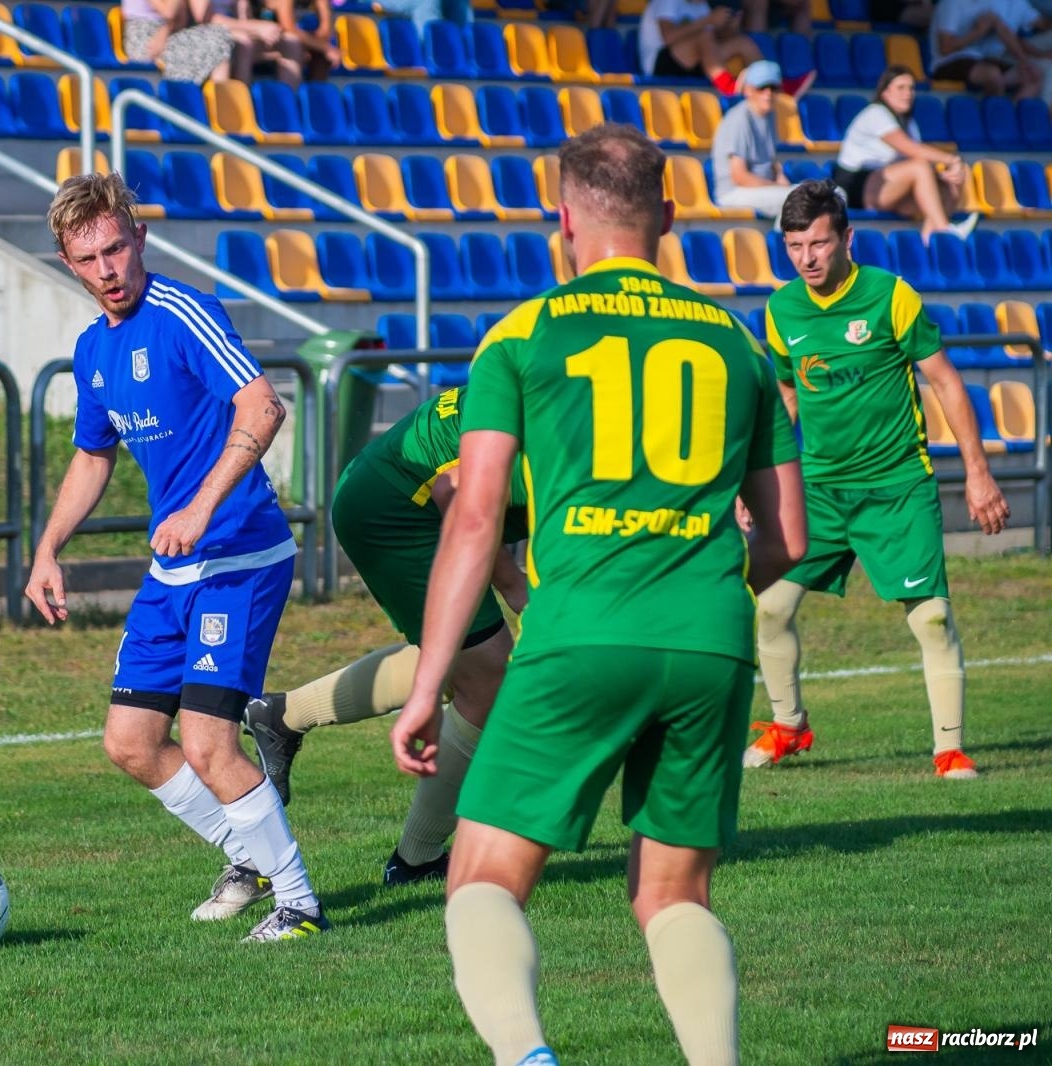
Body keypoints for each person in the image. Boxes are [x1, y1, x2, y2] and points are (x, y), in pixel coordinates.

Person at [390, 124, 808, 1066]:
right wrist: (696, 588)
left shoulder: (523, 334)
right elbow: (792, 538)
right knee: (673, 896)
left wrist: (425, 688)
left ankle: (527, 1056)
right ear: (670, 217)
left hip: (579, 630)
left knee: (483, 878)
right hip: (710, 639)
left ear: (564, 221)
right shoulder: (737, 342)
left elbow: (475, 517)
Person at [27, 173, 328, 943]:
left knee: (205, 742)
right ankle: (250, 856)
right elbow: (92, 455)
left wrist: (200, 507)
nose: (108, 269)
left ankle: (299, 904)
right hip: (175, 570)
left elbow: (263, 405)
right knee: (130, 742)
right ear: (68, 263)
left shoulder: (183, 313)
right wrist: (48, 548)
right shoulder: (93, 349)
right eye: (88, 258)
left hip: (239, 555)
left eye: (116, 248)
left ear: (140, 237)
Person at [747, 180, 1009, 781]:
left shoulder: (891, 296)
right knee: (771, 608)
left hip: (897, 485)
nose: (806, 258)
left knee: (931, 618)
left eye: (818, 243)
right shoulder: (781, 310)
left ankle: (949, 752)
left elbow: (946, 381)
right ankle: (789, 726)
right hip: (820, 490)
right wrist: (755, 486)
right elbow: (786, 398)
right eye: (793, 246)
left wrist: (978, 474)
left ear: (847, 238)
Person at [243, 385, 529, 885]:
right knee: (487, 682)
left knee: (463, 665)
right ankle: (417, 859)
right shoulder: (560, 408)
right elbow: (459, 496)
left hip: (400, 495)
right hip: (398, 512)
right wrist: (517, 589)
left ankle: (282, 715)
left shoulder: (569, 389)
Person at [833, 66, 979, 243]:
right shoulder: (875, 113)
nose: (908, 93)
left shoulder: (909, 123)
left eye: (911, 88)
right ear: (885, 92)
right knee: (920, 167)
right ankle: (945, 231)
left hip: (890, 186)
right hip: (858, 187)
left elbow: (917, 158)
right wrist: (952, 159)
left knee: (947, 184)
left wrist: (947, 173)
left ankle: (929, 240)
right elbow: (910, 149)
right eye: (901, 88)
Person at [638, 0, 814, 96]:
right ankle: (728, 88)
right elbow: (668, 37)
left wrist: (729, 29)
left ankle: (775, 86)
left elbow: (711, 44)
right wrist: (708, 21)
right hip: (660, 63)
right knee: (704, 36)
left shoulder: (702, 6)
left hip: (694, 62)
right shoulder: (667, 1)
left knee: (742, 42)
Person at [711, 60, 797, 220]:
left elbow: (771, 159)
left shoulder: (769, 115)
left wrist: (780, 175)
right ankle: (783, 236)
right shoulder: (739, 119)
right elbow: (739, 176)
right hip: (734, 192)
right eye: (761, 87)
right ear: (748, 90)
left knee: (828, 195)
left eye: (773, 88)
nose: (768, 93)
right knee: (796, 201)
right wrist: (777, 186)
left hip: (762, 188)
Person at [929, 0, 1045, 100]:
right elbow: (945, 48)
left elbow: (1005, 32)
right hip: (945, 62)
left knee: (1033, 76)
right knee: (992, 74)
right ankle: (996, 115)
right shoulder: (951, 3)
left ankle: (1009, 115)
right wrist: (977, 32)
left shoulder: (986, 3)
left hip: (976, 59)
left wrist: (1024, 62)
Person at [121, 0, 235, 84]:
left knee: (221, 37)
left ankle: (219, 103)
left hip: (168, 33)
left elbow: (181, 19)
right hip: (144, 36)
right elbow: (168, 12)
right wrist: (166, 30)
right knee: (219, 38)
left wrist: (166, 29)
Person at [206, 0, 303, 87]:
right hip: (211, 33)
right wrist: (256, 27)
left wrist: (263, 30)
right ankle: (240, 98)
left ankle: (288, 98)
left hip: (237, 30)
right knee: (245, 43)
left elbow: (244, 19)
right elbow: (206, 19)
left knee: (291, 43)